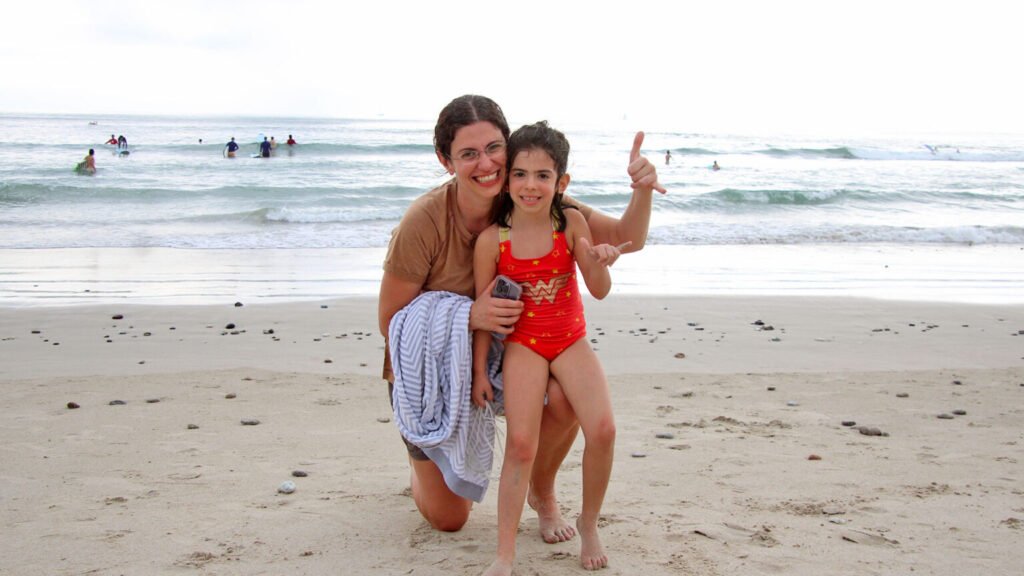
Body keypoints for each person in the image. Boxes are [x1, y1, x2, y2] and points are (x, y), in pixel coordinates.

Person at [377, 95, 663, 539]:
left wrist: (642, 188)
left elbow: (629, 237)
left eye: (494, 148)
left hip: (510, 352)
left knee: (567, 394)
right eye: (468, 153)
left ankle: (542, 490)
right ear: (445, 160)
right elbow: (390, 322)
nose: (485, 163)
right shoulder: (425, 221)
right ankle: (422, 472)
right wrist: (469, 315)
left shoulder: (534, 199)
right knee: (449, 519)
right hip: (431, 370)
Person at [472, 121, 623, 573]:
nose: (530, 185)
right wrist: (481, 371)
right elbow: (484, 318)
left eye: (543, 176)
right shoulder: (491, 241)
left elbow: (599, 290)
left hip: (571, 340)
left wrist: (600, 261)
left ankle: (589, 522)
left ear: (562, 183)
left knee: (603, 430)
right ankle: (505, 553)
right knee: (520, 443)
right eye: (520, 174)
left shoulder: (570, 223)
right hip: (525, 345)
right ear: (507, 178)